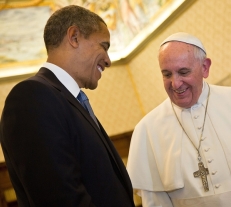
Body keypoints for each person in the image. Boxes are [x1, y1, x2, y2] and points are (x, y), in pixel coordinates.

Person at [127, 32, 231, 207]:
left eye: (183, 72)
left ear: (205, 67)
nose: (176, 83)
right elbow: (156, 202)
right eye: (167, 74)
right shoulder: (147, 130)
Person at [0, 5, 135, 207]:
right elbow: (61, 199)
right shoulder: (31, 97)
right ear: (74, 37)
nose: (108, 61)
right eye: (104, 46)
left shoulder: (70, 101)